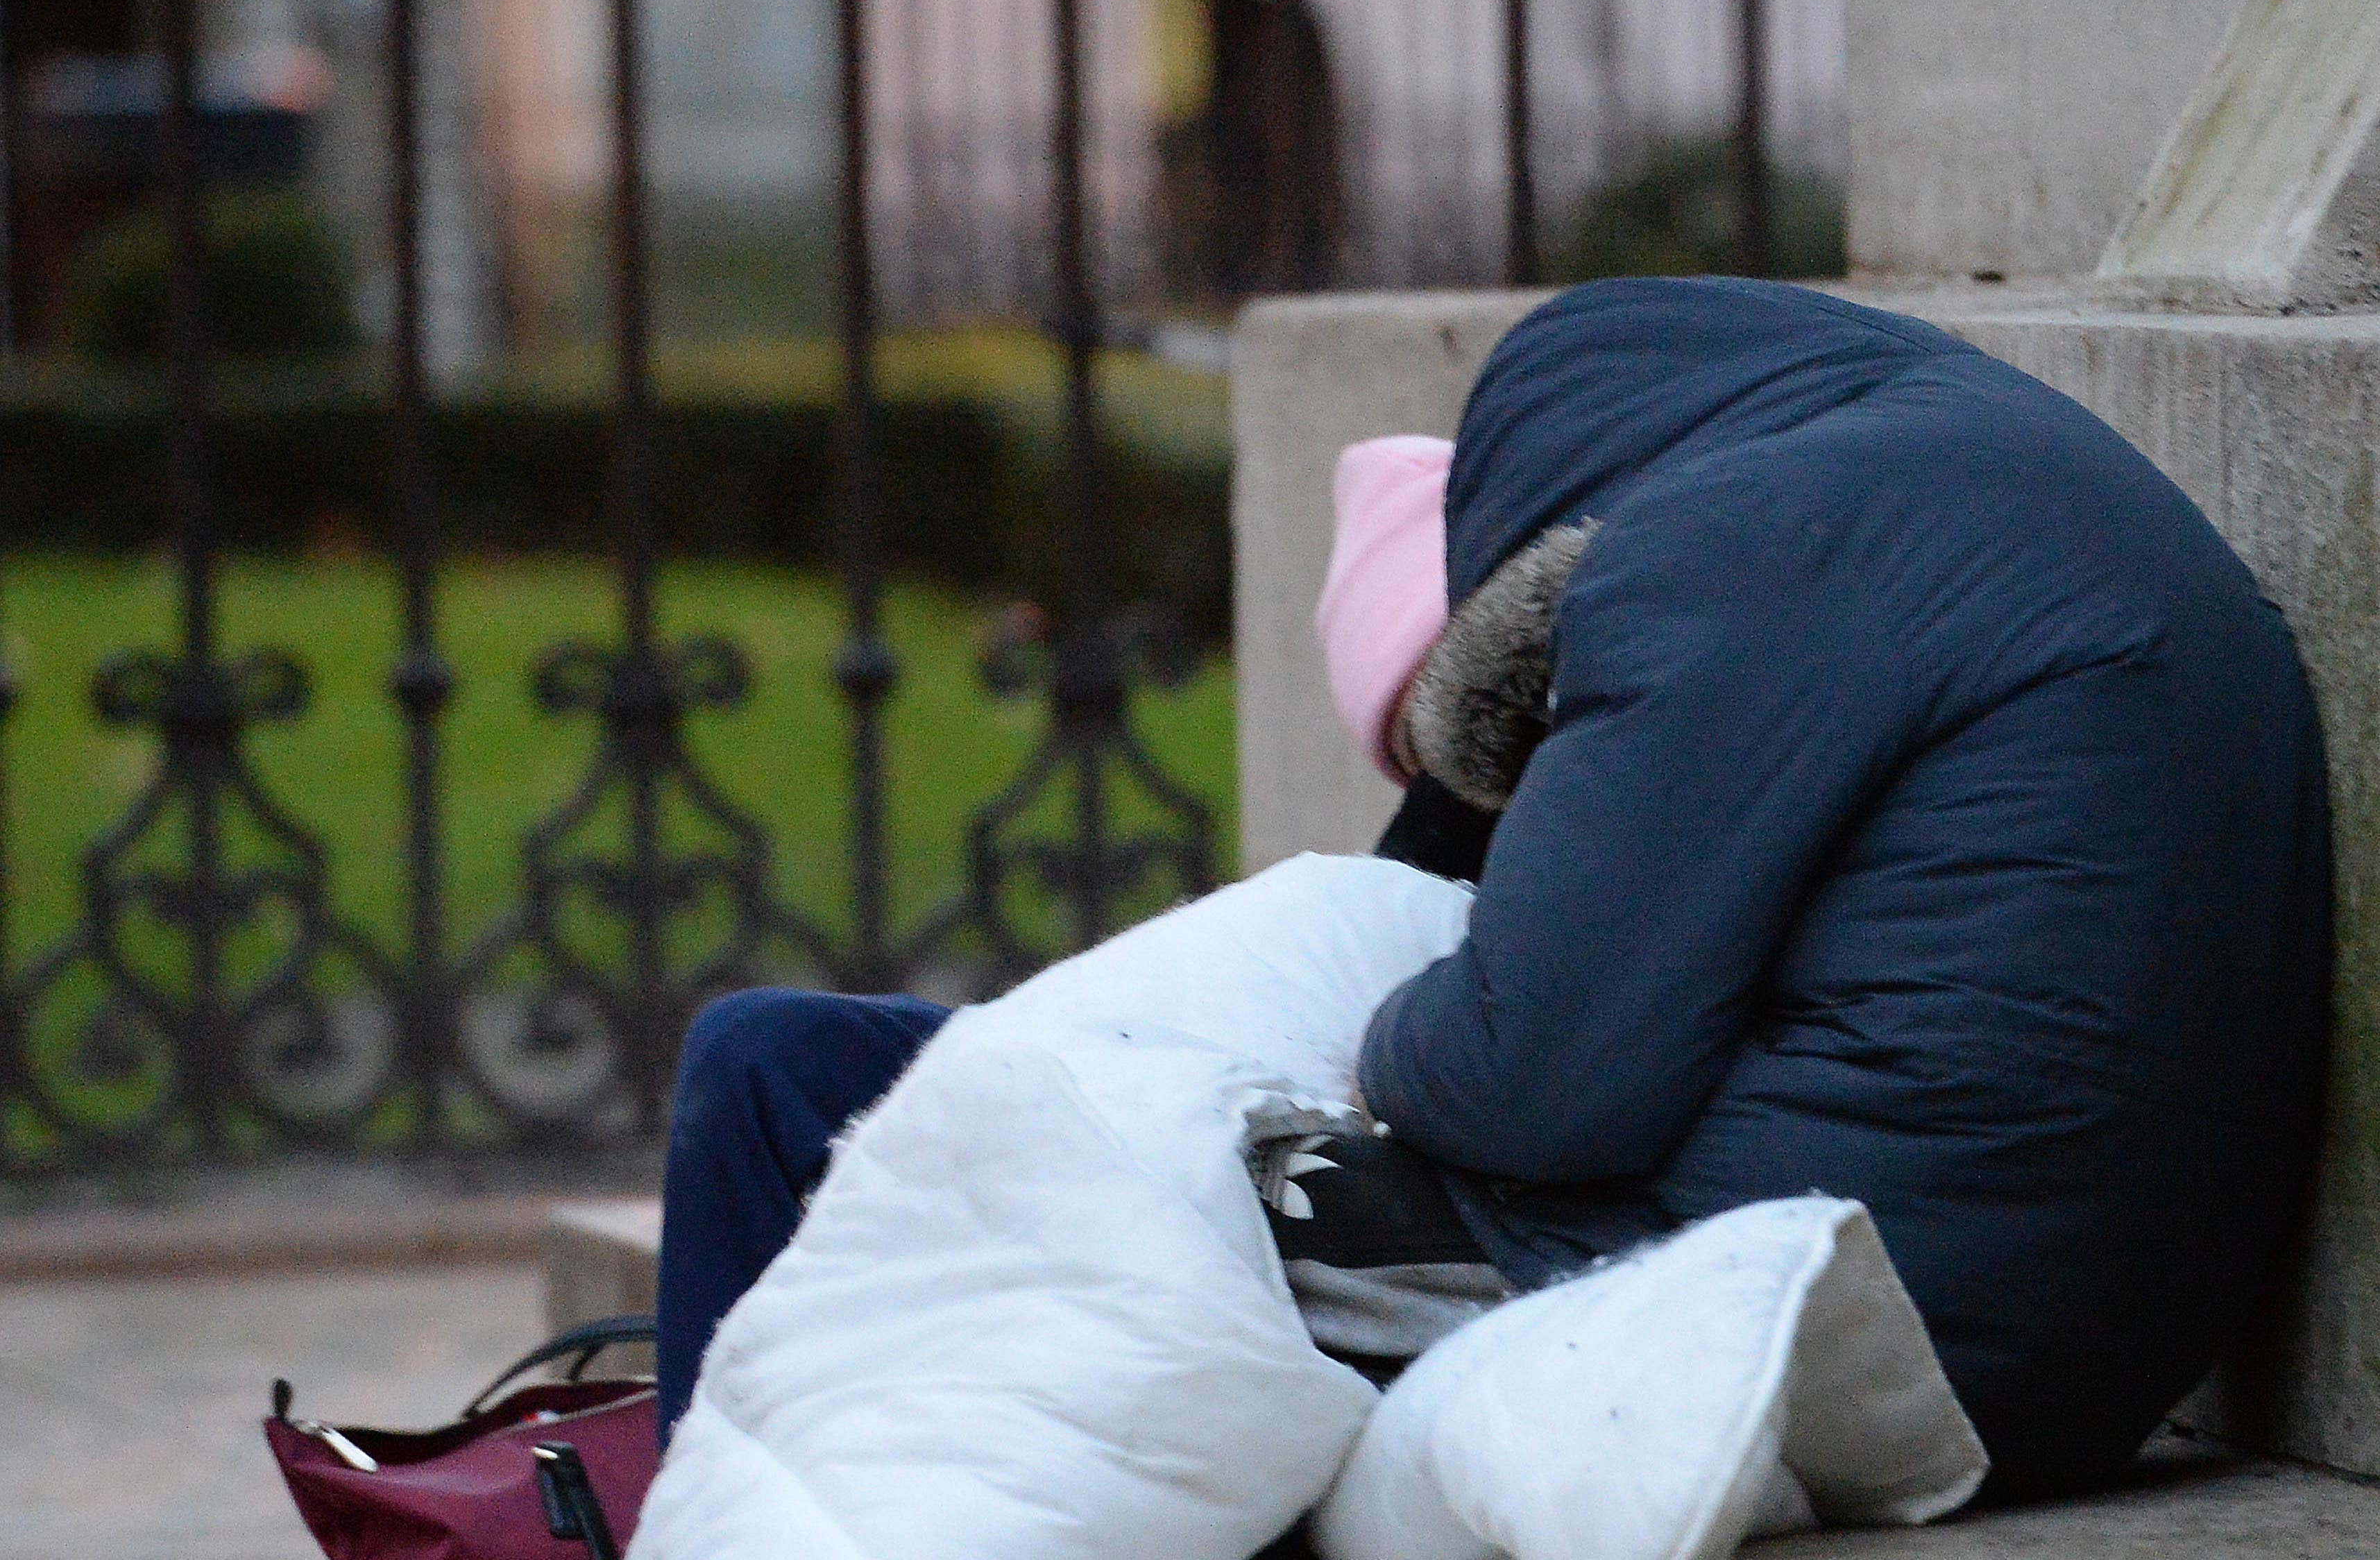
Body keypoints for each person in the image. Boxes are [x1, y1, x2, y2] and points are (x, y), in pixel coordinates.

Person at [654, 278, 2331, 1506]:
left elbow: (1535, 1083)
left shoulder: (1734, 552)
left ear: (1521, 625)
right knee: (882, 1113)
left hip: (1815, 1300)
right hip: (2022, 1324)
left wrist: (1378, 1038)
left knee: (777, 1077)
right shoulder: (1943, 488)